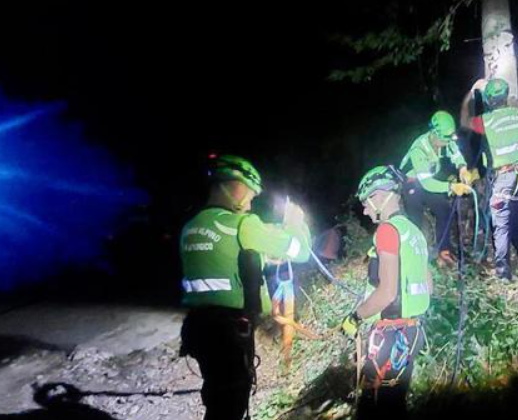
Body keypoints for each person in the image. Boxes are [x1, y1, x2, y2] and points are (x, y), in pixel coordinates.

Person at [179, 154, 311, 420]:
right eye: (250, 193)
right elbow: (300, 252)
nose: (251, 201)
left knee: (216, 394)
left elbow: (230, 258)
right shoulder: (243, 224)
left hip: (198, 328)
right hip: (230, 331)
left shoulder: (191, 226)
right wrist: (297, 224)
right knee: (232, 402)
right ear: (231, 186)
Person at [341, 165, 433, 419]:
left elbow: (387, 293)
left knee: (376, 408)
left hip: (392, 337)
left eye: (366, 202)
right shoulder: (414, 232)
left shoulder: (387, 231)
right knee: (395, 404)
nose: (364, 209)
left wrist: (355, 318)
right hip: (413, 333)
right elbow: (428, 283)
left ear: (380, 196)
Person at [461, 78, 518, 280]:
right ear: (505, 97)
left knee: (501, 227)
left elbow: (464, 121)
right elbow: (512, 105)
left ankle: (504, 275)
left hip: (505, 178)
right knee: (514, 226)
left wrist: (472, 93)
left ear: (487, 100)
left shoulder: (486, 121)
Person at [399, 111, 473, 265]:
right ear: (434, 133)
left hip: (426, 181)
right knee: (415, 219)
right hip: (411, 183)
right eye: (445, 139)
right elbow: (427, 184)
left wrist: (462, 168)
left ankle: (443, 251)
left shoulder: (444, 141)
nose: (448, 142)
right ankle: (414, 257)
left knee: (444, 210)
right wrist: (452, 187)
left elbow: (456, 153)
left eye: (449, 138)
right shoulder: (418, 149)